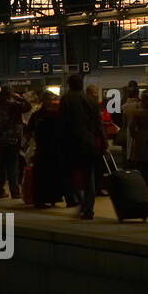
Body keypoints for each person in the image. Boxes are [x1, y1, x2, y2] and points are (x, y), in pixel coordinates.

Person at [59, 74, 103, 219]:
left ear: (69, 85)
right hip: (89, 143)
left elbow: (62, 123)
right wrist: (104, 142)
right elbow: (98, 124)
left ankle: (81, 202)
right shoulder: (91, 100)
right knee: (88, 177)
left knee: (70, 175)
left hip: (71, 144)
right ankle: (89, 208)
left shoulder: (66, 99)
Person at [0, 87, 29, 199]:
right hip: (12, 139)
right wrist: (20, 98)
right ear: (10, 94)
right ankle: (15, 191)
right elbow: (28, 107)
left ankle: (0, 190)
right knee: (13, 165)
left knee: (0, 166)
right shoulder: (13, 105)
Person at [124, 92, 148, 190]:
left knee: (140, 166)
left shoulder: (137, 113)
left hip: (140, 140)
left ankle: (141, 186)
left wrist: (135, 136)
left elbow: (132, 127)